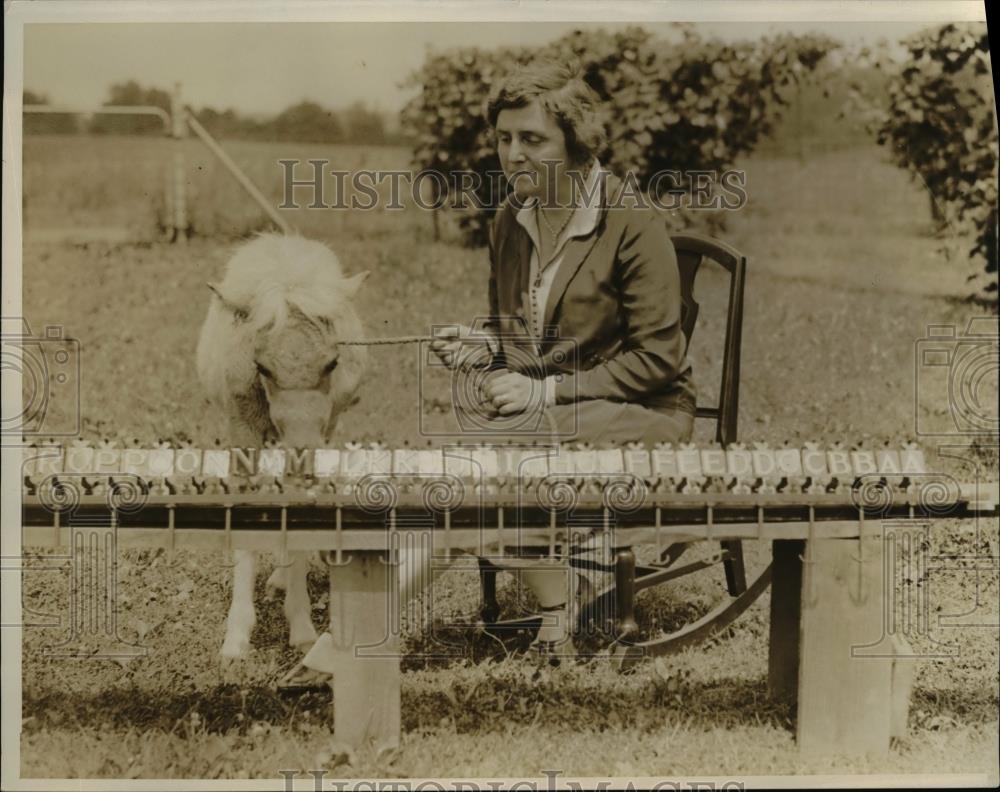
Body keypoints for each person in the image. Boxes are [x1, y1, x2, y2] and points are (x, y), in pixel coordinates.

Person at [281, 58, 696, 687]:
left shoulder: (631, 221)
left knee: (472, 472)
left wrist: (544, 389)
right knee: (472, 470)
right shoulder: (512, 219)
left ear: (576, 141)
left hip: (645, 411)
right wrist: (486, 347)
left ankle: (350, 640)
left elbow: (658, 359)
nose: (513, 154)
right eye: (504, 138)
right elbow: (525, 340)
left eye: (533, 139)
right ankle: (556, 603)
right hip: (555, 412)